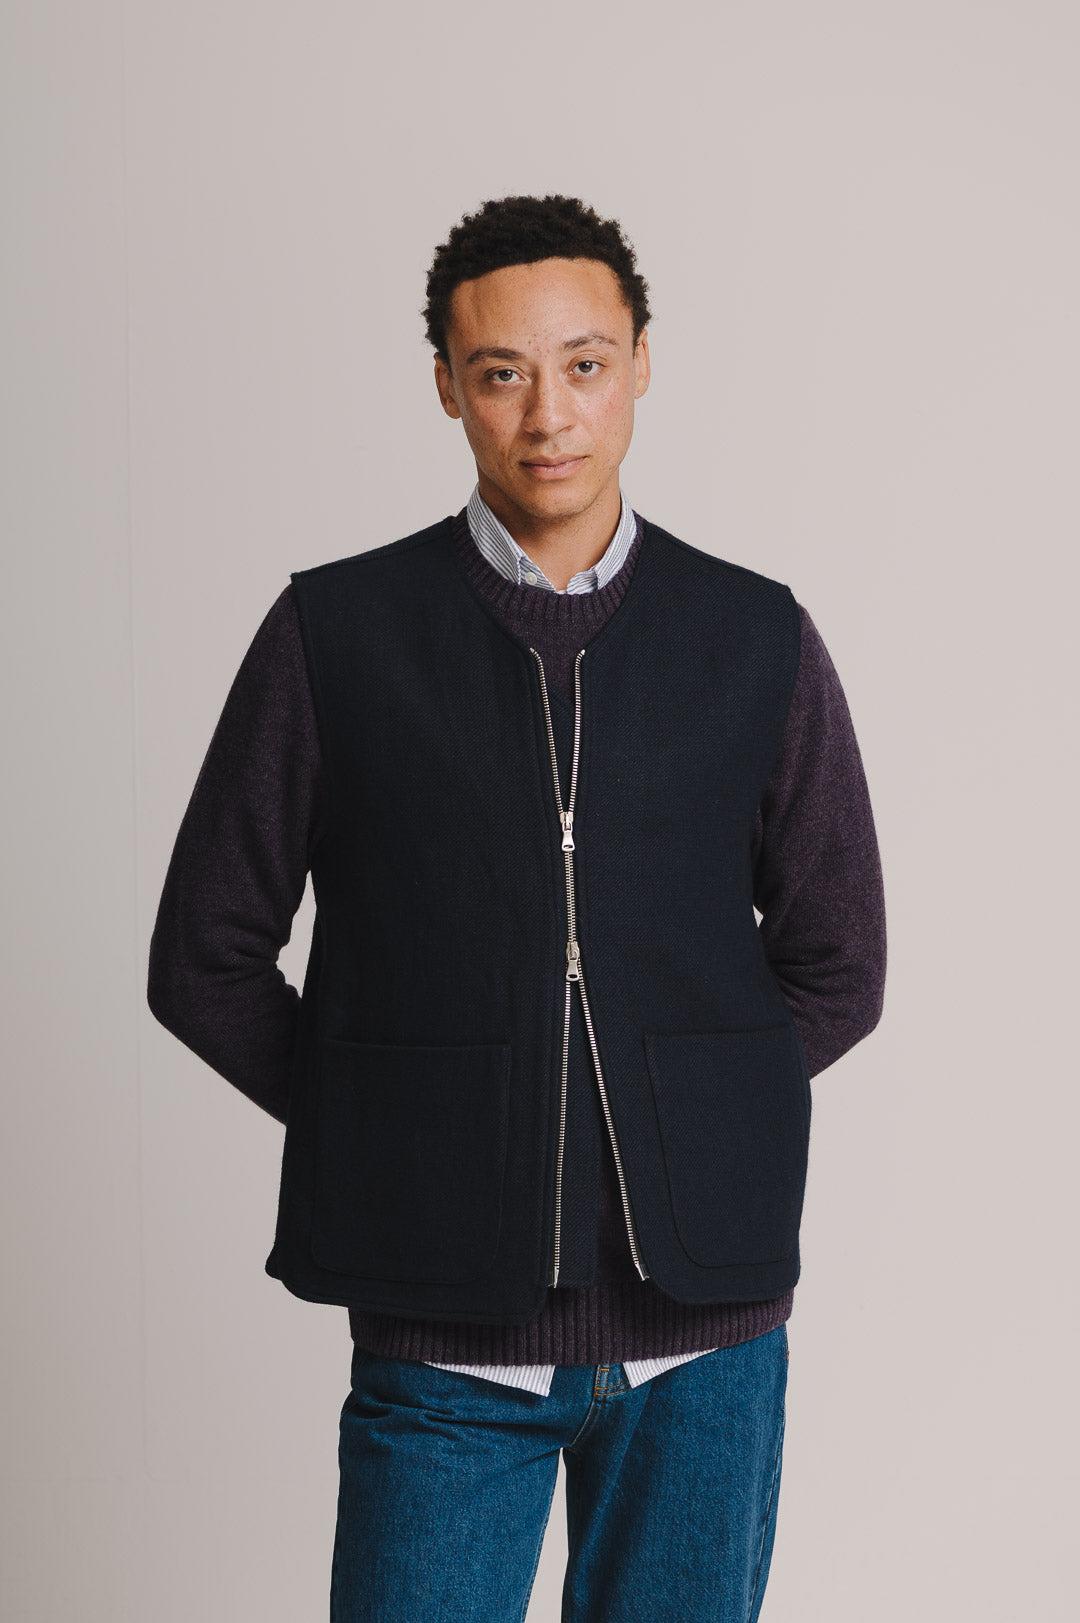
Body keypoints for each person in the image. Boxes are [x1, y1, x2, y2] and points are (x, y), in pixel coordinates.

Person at [147, 193, 887, 1622]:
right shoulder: (335, 636)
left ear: (641, 363)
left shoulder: (755, 637)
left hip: (708, 1348)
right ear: (446, 385)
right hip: (444, 1346)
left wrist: (696, 1122)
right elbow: (206, 959)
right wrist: (392, 1124)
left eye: (585, 364)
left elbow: (838, 960)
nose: (550, 414)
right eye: (502, 373)